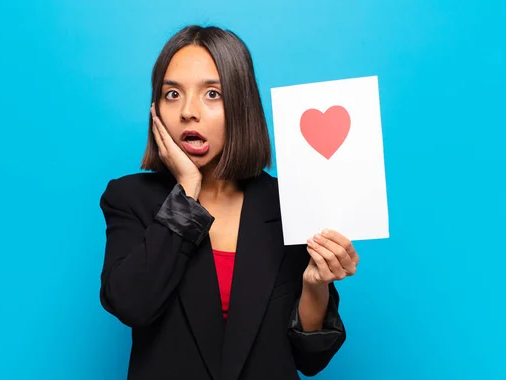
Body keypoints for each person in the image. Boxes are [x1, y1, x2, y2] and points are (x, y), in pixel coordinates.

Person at [99, 24, 359, 380]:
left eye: (212, 94)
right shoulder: (130, 198)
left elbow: (309, 359)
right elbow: (131, 305)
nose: (189, 111)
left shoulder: (292, 202)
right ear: (155, 109)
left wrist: (315, 285)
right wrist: (187, 190)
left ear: (241, 105)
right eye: (172, 94)